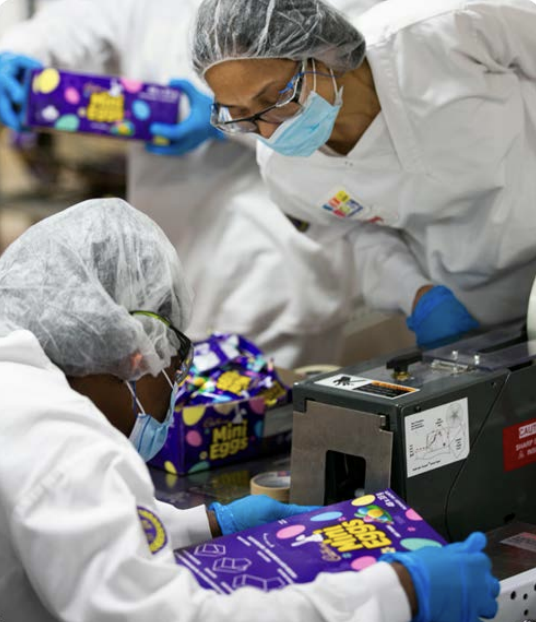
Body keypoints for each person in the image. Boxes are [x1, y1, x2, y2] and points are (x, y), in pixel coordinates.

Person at [0, 198, 499, 622]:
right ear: (136, 352)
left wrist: (209, 524)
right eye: (175, 373)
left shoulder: (22, 394)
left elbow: (82, 533)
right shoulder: (63, 442)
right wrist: (398, 592)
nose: (172, 404)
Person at [0, 0, 360, 368]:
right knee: (172, 402)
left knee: (271, 413)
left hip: (277, 266)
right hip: (168, 259)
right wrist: (16, 55)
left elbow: (342, 104)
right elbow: (76, 23)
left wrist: (234, 119)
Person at [192, 0, 536, 349]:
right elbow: (353, 236)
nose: (268, 133)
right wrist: (419, 295)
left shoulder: (442, 29)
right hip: (484, 305)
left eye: (275, 97)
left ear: (321, 52)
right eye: (240, 114)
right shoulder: (285, 172)